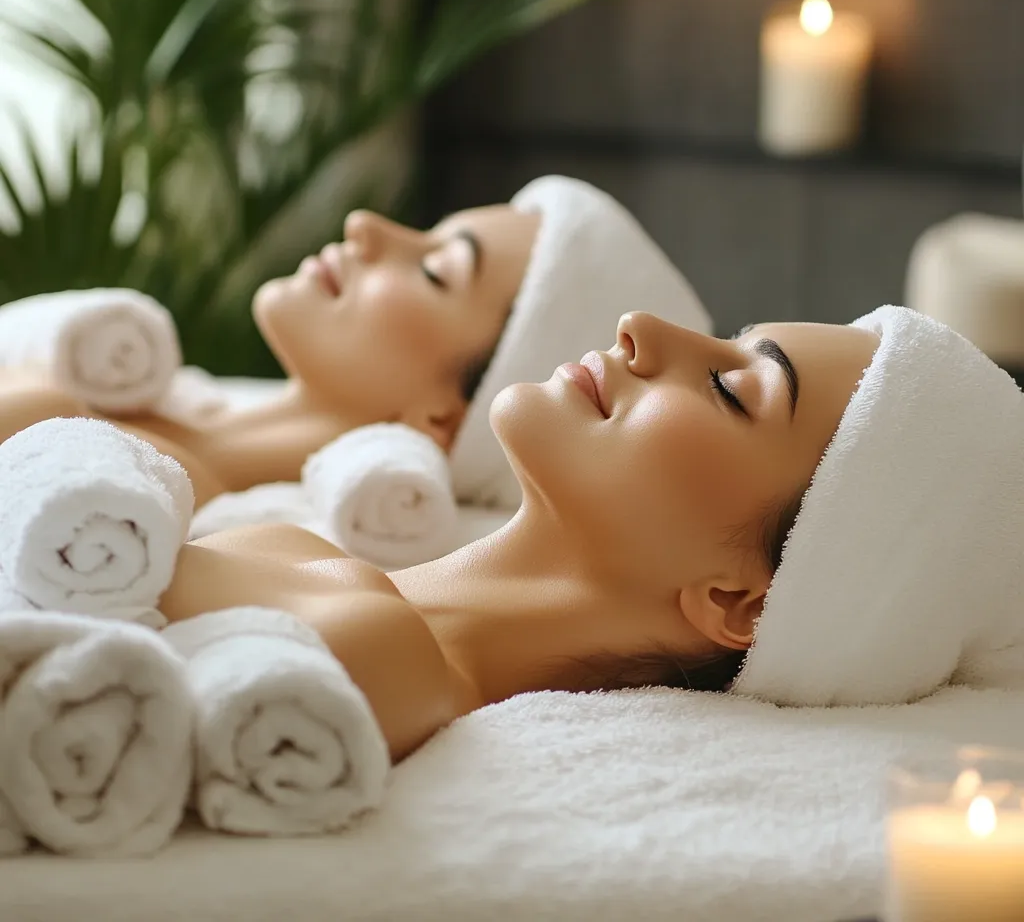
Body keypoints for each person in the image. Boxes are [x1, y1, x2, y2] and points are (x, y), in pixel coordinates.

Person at [158, 309, 885, 762]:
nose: (642, 327)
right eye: (730, 338)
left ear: (739, 603)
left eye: (731, 390)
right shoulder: (299, 552)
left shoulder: (382, 667)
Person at [0, 177, 712, 510]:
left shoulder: (128, 494)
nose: (369, 227)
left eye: (435, 270)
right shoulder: (143, 393)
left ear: (443, 420)